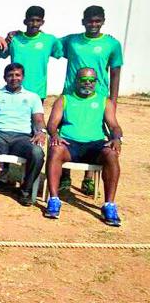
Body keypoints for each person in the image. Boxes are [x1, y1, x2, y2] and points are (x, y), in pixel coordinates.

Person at [45, 67, 123, 226]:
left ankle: (109, 205)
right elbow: (52, 124)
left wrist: (116, 138)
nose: (87, 83)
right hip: (69, 143)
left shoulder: (104, 101)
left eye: (91, 81)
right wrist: (55, 135)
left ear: (96, 82)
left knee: (111, 153)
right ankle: (54, 200)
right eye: (83, 80)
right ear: (76, 81)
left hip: (95, 145)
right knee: (55, 149)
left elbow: (115, 126)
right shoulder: (64, 99)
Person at [60, 5, 123, 196]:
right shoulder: (72, 41)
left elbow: (115, 72)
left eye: (97, 20)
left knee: (95, 136)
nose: (93, 24)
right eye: (90, 20)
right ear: (83, 21)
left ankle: (88, 178)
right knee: (67, 134)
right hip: (71, 96)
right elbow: (48, 43)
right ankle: (65, 176)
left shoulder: (112, 44)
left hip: (99, 97)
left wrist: (113, 99)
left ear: (103, 21)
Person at [0, 63, 45, 206]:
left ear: (23, 77)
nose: (14, 78)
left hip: (22, 138)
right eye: (10, 75)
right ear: (4, 77)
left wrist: (40, 131)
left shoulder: (33, 97)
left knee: (37, 153)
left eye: (17, 75)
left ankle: (25, 191)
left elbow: (38, 119)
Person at [6, 6, 63, 101]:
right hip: (15, 89)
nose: (34, 24)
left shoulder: (50, 40)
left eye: (38, 20)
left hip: (38, 92)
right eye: (31, 20)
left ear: (42, 22)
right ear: (25, 21)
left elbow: (59, 54)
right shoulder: (14, 39)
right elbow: (1, 51)